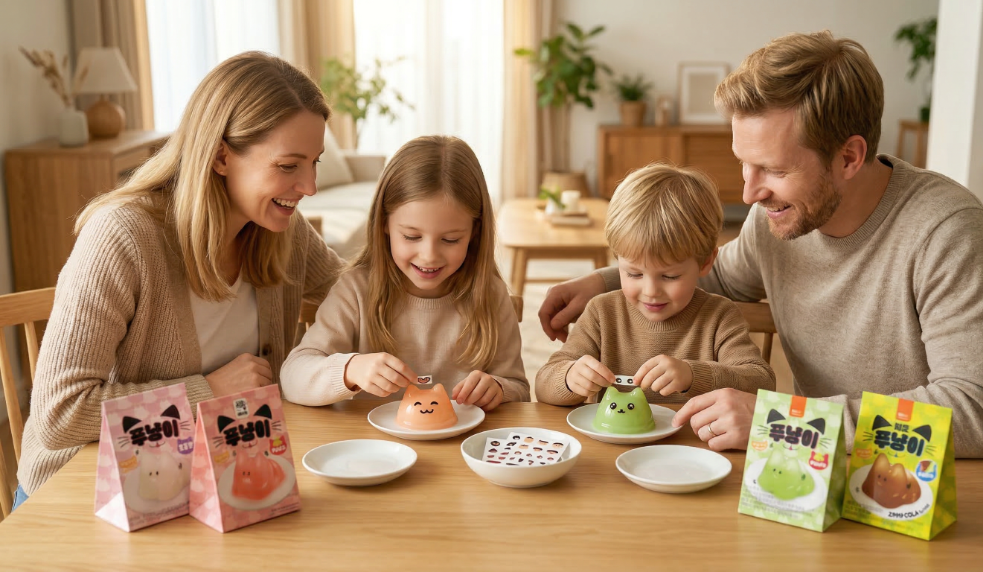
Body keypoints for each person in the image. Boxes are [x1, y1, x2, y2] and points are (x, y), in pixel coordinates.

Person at [537, 31, 983, 458]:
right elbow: (713, 272)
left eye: (775, 170)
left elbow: (980, 414)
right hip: (806, 475)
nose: (749, 193)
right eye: (744, 164)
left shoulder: (947, 231)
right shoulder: (777, 220)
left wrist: (784, 423)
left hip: (924, 491)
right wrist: (600, 281)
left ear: (849, 156)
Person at [13, 52, 344, 510]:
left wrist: (424, 249)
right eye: (288, 166)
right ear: (221, 156)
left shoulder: (278, 230)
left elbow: (356, 294)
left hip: (210, 479)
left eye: (315, 163)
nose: (308, 186)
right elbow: (59, 414)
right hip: (87, 494)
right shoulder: (123, 237)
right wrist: (207, 393)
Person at [280, 135, 530, 410]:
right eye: (411, 236)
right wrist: (350, 369)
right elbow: (293, 377)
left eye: (450, 240)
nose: (429, 255)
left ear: (475, 232)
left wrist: (498, 389)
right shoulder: (356, 291)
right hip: (372, 449)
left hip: (460, 449)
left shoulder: (490, 295)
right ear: (384, 223)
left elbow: (519, 390)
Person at [535, 164, 774, 406]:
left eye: (669, 277)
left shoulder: (720, 318)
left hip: (692, 444)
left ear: (706, 263)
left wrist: (694, 375)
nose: (650, 291)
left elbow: (762, 382)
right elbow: (544, 383)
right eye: (634, 274)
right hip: (615, 444)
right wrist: (569, 378)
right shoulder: (602, 313)